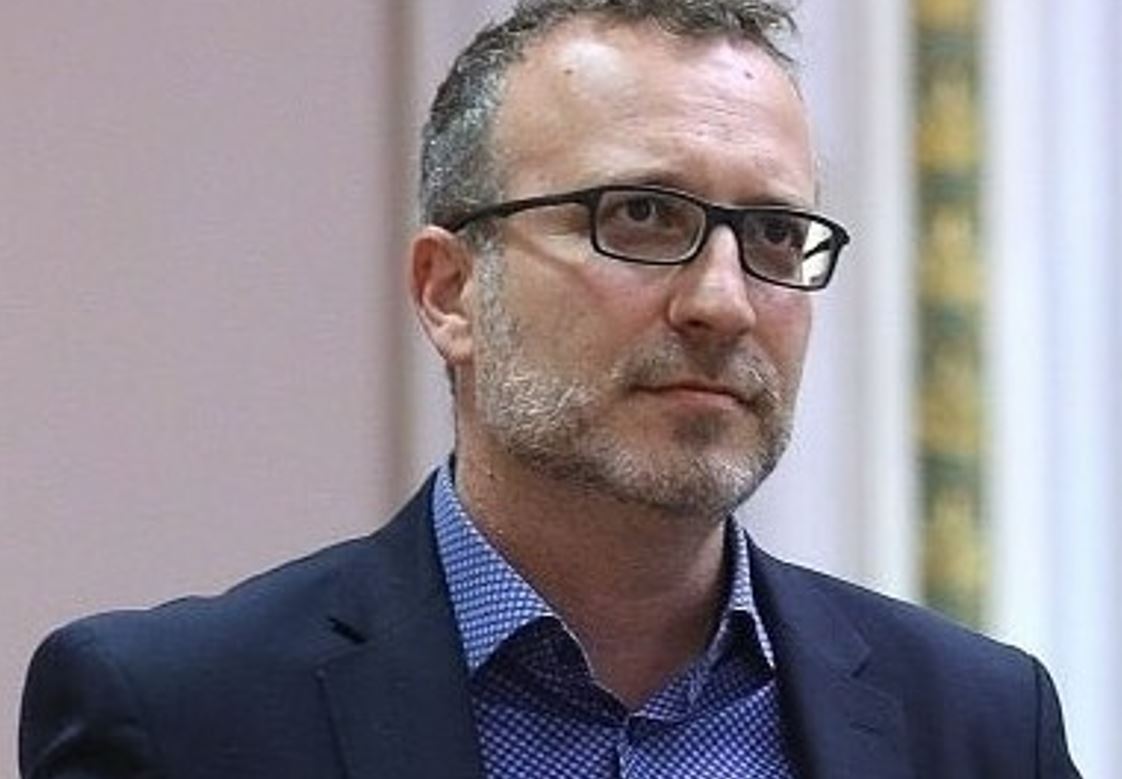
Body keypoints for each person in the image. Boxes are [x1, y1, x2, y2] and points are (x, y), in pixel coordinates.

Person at [19, 1, 1080, 777]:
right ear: (449, 292)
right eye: (641, 216)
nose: (723, 302)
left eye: (770, 234)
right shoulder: (180, 717)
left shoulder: (981, 726)